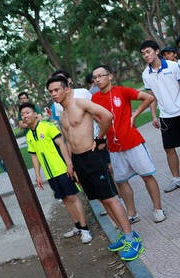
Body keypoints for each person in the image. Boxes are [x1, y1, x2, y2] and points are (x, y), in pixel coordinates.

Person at [46, 75, 143, 261]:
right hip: (79, 161)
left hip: (92, 157)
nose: (53, 94)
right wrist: (71, 163)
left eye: (56, 90)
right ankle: (124, 235)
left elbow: (107, 115)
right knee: (101, 199)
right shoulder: (63, 112)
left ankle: (132, 239)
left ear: (66, 89)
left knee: (111, 198)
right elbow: (67, 139)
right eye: (50, 91)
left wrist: (99, 139)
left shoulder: (80, 103)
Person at [91, 65, 166, 223]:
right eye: (95, 77)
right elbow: (95, 116)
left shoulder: (122, 91)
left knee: (147, 175)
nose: (97, 79)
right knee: (121, 180)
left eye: (100, 75)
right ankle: (132, 213)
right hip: (114, 146)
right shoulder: (95, 99)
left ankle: (158, 209)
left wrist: (134, 115)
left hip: (133, 141)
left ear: (109, 76)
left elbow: (149, 98)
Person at [19, 102, 92, 244]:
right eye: (22, 114)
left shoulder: (47, 127)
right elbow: (34, 155)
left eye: (27, 112)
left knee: (72, 197)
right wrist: (38, 175)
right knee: (65, 199)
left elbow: (61, 144)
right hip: (50, 174)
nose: (25, 116)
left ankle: (85, 229)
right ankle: (77, 226)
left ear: (35, 114)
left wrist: (69, 164)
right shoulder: (29, 135)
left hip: (62, 169)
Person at [140, 40, 180, 192]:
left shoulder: (173, 66)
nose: (146, 55)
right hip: (165, 116)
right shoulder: (146, 74)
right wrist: (153, 116)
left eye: (148, 52)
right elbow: (152, 97)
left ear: (157, 51)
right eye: (143, 54)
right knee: (169, 149)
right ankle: (176, 179)